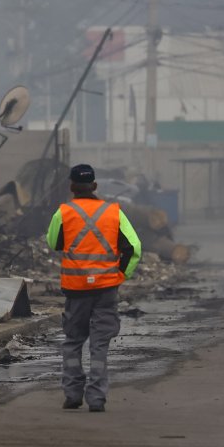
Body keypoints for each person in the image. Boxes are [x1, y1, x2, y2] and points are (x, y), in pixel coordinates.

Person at [46, 164, 142, 413]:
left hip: (75, 289)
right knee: (99, 344)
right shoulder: (114, 212)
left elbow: (54, 242)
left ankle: (72, 394)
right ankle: (97, 398)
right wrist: (121, 275)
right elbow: (134, 248)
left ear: (71, 187)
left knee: (73, 341)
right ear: (95, 186)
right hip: (106, 289)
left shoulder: (63, 212)